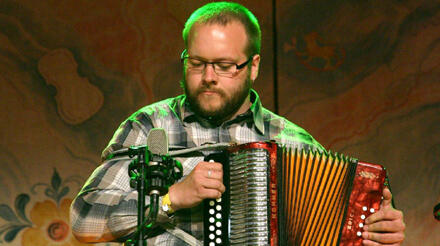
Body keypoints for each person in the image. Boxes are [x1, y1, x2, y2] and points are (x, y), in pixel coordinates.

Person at [70, 2, 405, 245]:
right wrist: (172, 198)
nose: (209, 77)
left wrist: (376, 233)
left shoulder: (291, 142)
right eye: (197, 63)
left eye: (225, 65)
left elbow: (340, 233)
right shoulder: (151, 126)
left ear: (254, 66)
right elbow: (84, 222)